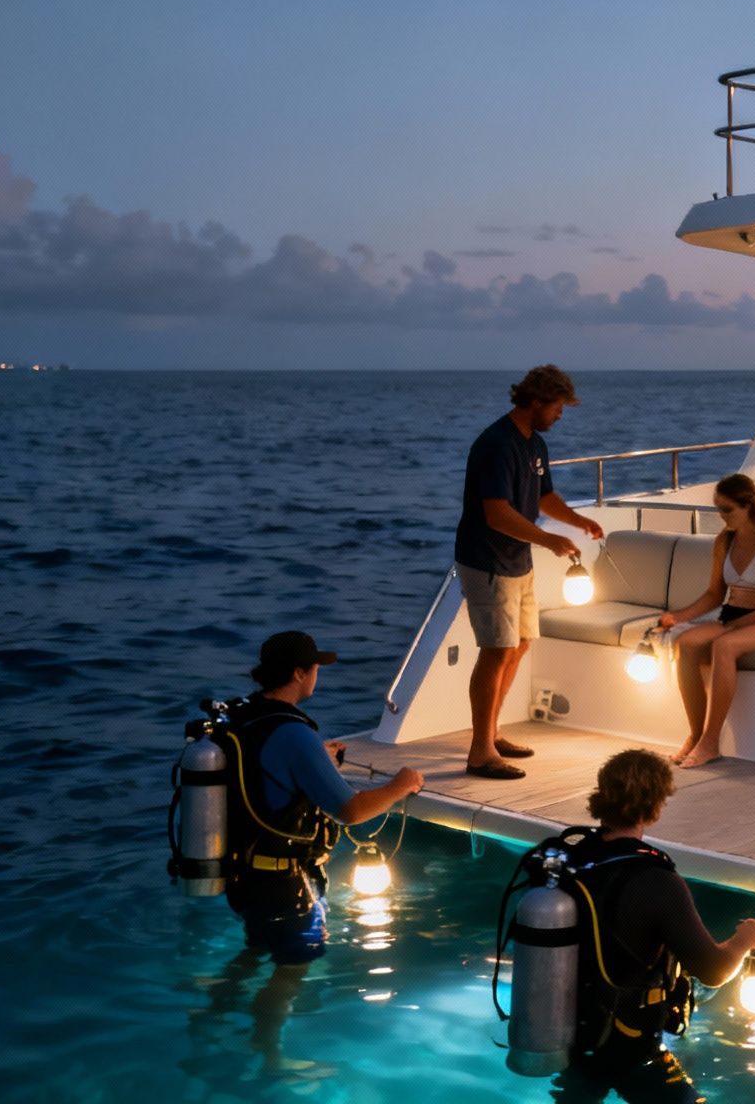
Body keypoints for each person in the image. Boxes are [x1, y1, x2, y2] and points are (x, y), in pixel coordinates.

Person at [221, 631, 425, 1075]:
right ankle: (270, 1054)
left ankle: (215, 1012)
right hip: (286, 882)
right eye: (315, 667)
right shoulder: (295, 734)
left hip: (243, 873)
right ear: (299, 673)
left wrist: (319, 758)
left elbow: (268, 777)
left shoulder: (245, 717)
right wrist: (400, 785)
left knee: (256, 948)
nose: (318, 675)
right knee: (293, 967)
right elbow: (351, 811)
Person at [548, 749, 755, 1103]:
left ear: (602, 796)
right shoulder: (657, 881)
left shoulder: (572, 861)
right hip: (629, 1045)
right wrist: (746, 939)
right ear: (656, 805)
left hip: (569, 1034)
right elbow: (713, 970)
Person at [455, 364, 605, 779]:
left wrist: (578, 522)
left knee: (519, 645)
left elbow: (544, 497)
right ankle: (480, 751)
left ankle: (492, 732)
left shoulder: (534, 444)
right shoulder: (497, 445)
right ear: (536, 401)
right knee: (497, 650)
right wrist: (550, 541)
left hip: (517, 561)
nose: (560, 414)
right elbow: (497, 514)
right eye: (558, 406)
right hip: (487, 560)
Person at [655, 473, 755, 768]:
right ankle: (695, 735)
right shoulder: (724, 541)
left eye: (727, 509)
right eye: (718, 508)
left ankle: (711, 742)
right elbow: (714, 594)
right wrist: (678, 617)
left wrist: (735, 627)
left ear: (749, 506)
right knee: (685, 642)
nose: (721, 516)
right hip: (730, 617)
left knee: (724, 646)